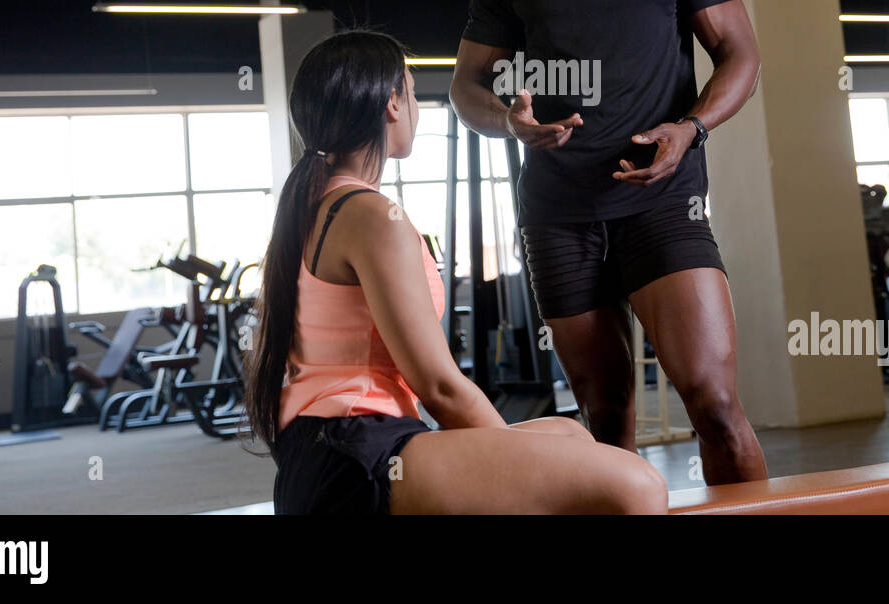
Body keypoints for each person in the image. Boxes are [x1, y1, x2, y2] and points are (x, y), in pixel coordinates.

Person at [449, 0, 767, 485]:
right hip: (558, 212)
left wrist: (692, 127)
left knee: (714, 405)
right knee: (605, 417)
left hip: (661, 198)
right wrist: (509, 121)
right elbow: (465, 88)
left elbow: (741, 55)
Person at [246, 29, 668, 515]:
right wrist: (513, 461)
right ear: (391, 103)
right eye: (410, 88)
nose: (417, 107)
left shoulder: (316, 204)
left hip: (329, 450)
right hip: (356, 452)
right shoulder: (370, 217)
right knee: (637, 485)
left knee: (570, 433)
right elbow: (439, 385)